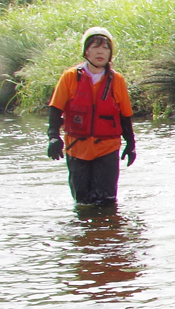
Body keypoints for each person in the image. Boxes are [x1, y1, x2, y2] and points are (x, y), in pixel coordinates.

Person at [45, 26, 135, 205]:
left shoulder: (117, 80)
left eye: (105, 47)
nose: (100, 52)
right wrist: (53, 137)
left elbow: (125, 116)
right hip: (77, 147)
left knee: (107, 202)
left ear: (110, 53)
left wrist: (131, 144)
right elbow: (55, 109)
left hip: (107, 148)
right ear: (86, 51)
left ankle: (105, 232)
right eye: (95, 46)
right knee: (82, 203)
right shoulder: (70, 77)